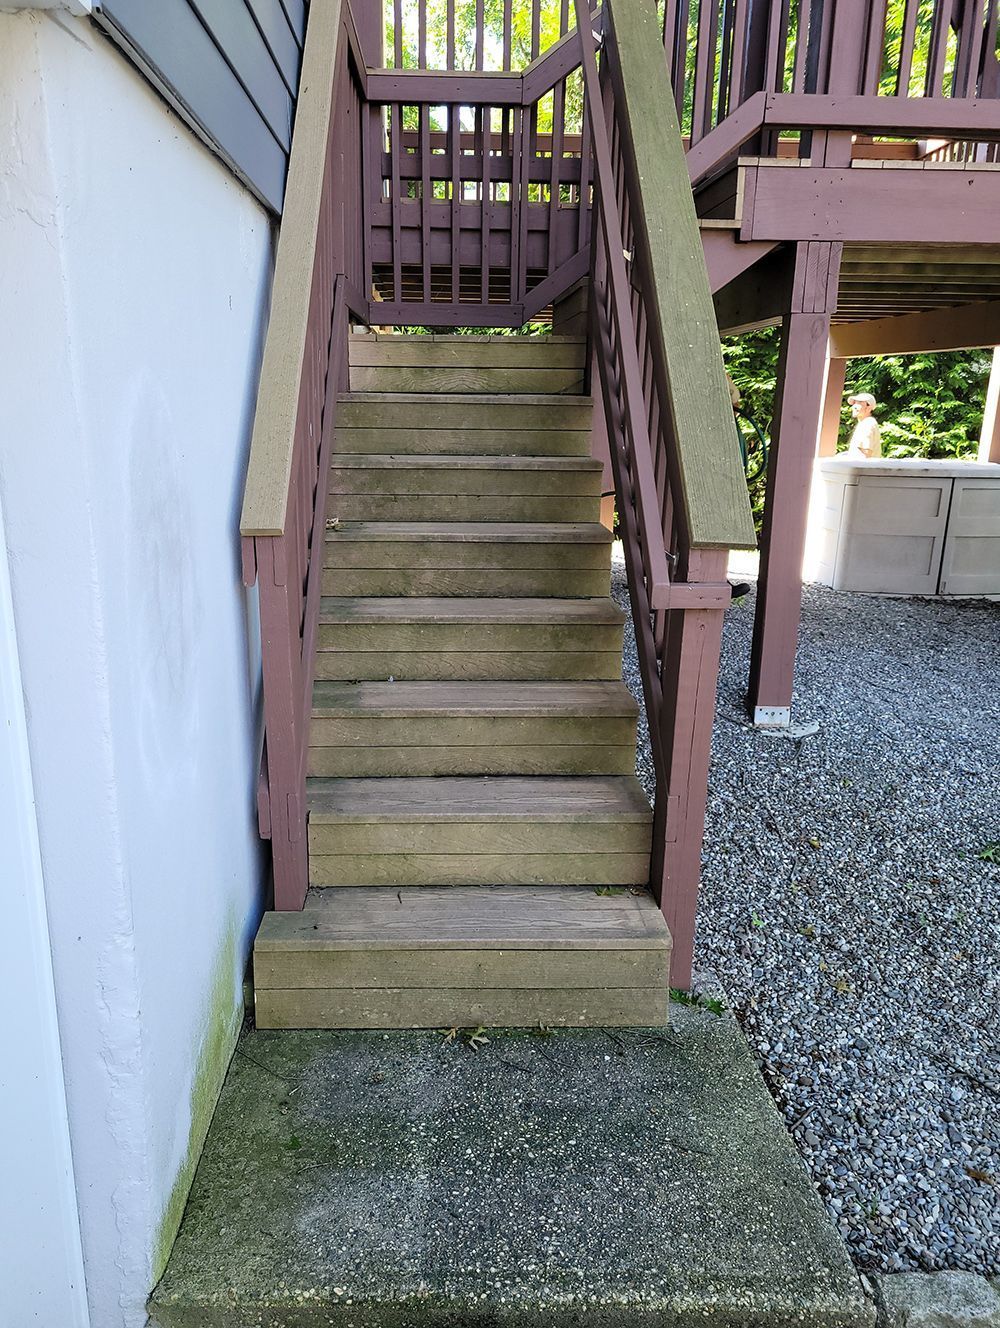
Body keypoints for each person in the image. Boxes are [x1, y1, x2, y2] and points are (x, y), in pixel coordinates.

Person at [845, 392, 882, 459]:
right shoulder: (865, 423)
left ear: (869, 408)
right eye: (854, 403)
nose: (854, 407)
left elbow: (866, 454)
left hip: (862, 469)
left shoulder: (867, 424)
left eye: (859, 403)